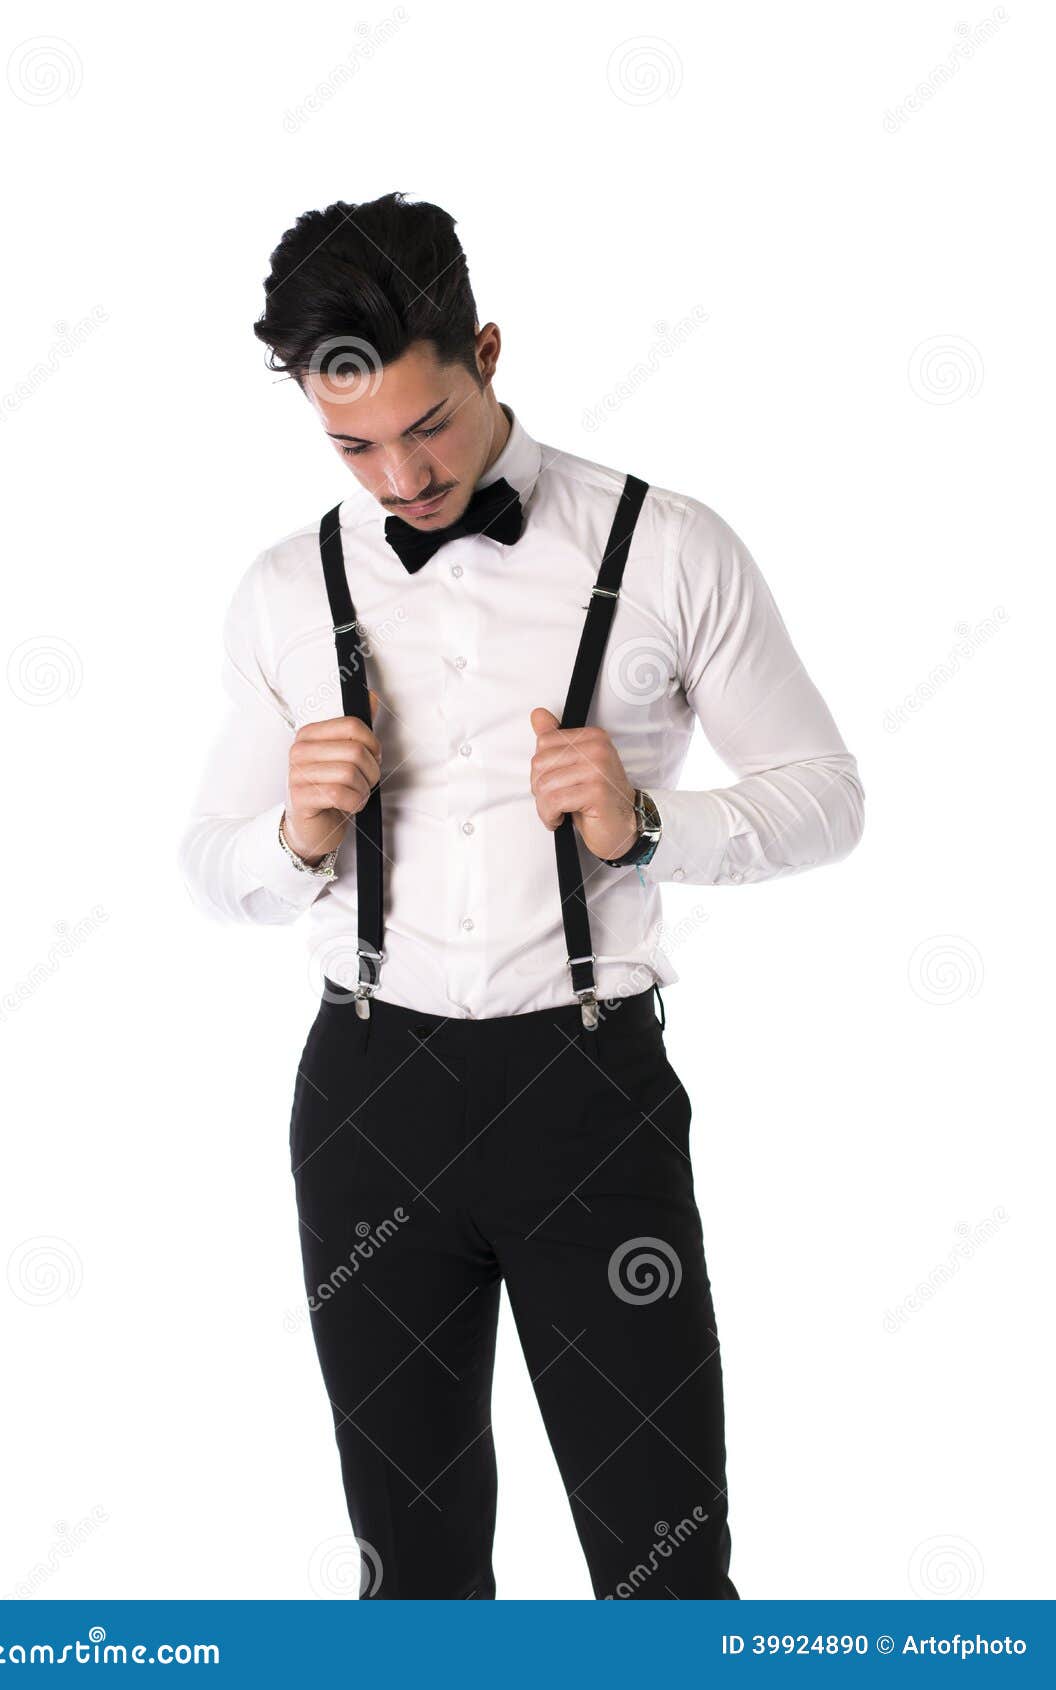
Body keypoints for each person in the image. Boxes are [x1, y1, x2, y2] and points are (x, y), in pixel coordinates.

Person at [177, 190, 865, 1600]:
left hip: (588, 1090)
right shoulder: (281, 589)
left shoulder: (668, 547)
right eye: (353, 445)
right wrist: (295, 835)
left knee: (665, 1568)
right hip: (369, 1095)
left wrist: (647, 820)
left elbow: (827, 796)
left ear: (486, 349)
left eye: (426, 427)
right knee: (413, 1574)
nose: (401, 481)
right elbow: (208, 859)